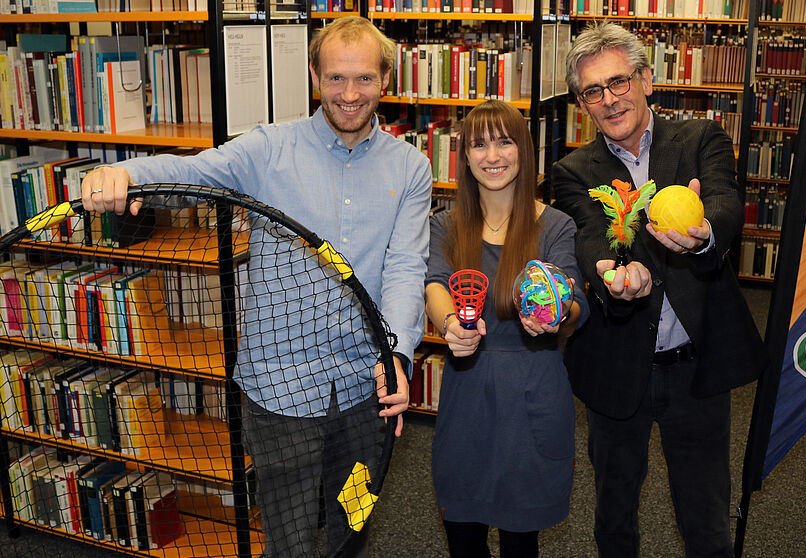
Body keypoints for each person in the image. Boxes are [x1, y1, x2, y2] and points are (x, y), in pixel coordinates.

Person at [81, 16, 431, 558]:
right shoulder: (269, 148)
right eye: (336, 78)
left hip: (368, 387)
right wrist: (126, 176)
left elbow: (406, 267)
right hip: (280, 389)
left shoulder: (410, 167)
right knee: (289, 543)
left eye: (364, 78)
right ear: (314, 76)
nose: (349, 94)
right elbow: (194, 176)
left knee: (353, 525)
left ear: (386, 78)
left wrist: (399, 355)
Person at [550, 23, 767, 558]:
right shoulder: (572, 171)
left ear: (646, 80)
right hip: (616, 363)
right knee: (614, 516)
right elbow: (591, 234)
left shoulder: (701, 139)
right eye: (593, 91)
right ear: (582, 104)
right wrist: (610, 276)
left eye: (618, 81)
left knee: (706, 519)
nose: (609, 99)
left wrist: (702, 235)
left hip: (696, 367)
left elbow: (724, 202)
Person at [424, 100, 588, 558]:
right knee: (463, 535)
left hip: (533, 395)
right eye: (479, 145)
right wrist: (450, 324)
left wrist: (557, 315)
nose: (492, 155)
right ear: (465, 156)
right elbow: (436, 283)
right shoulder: (445, 225)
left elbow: (575, 300)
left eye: (504, 142)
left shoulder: (555, 225)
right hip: (467, 397)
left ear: (524, 151)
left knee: (520, 541)